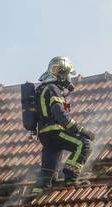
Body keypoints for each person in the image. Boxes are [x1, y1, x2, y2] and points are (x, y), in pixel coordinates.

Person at [33, 56, 95, 193]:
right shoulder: (53, 88)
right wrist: (80, 130)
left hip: (45, 135)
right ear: (61, 75)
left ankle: (37, 195)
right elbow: (59, 113)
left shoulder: (41, 89)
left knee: (47, 172)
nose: (69, 79)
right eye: (67, 75)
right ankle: (70, 178)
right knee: (84, 144)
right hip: (55, 132)